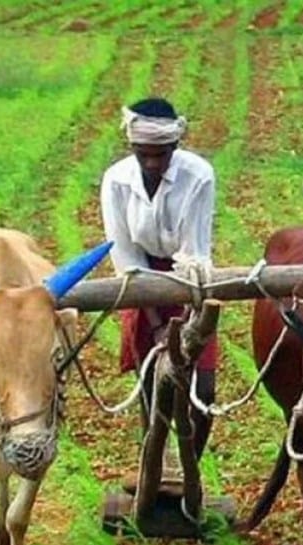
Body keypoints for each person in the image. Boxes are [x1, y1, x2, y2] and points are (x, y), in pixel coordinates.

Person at [99, 96, 218, 461]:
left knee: (204, 388)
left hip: (189, 281)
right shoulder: (117, 181)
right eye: (144, 154)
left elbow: (194, 253)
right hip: (140, 283)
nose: (152, 163)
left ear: (175, 146)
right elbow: (126, 257)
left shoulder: (198, 175)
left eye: (161, 154)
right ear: (132, 147)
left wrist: (187, 327)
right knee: (153, 381)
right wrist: (155, 326)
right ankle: (154, 463)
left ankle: (189, 469)